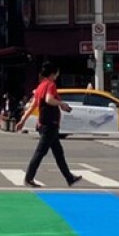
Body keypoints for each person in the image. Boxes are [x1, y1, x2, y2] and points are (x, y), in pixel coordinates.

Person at [20, 61, 79, 189]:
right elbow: (49, 100)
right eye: (57, 72)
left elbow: (33, 105)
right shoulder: (50, 84)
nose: (57, 75)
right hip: (50, 124)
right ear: (53, 73)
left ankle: (69, 178)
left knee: (58, 152)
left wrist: (23, 120)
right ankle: (29, 178)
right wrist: (61, 104)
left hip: (44, 123)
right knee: (40, 152)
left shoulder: (40, 86)